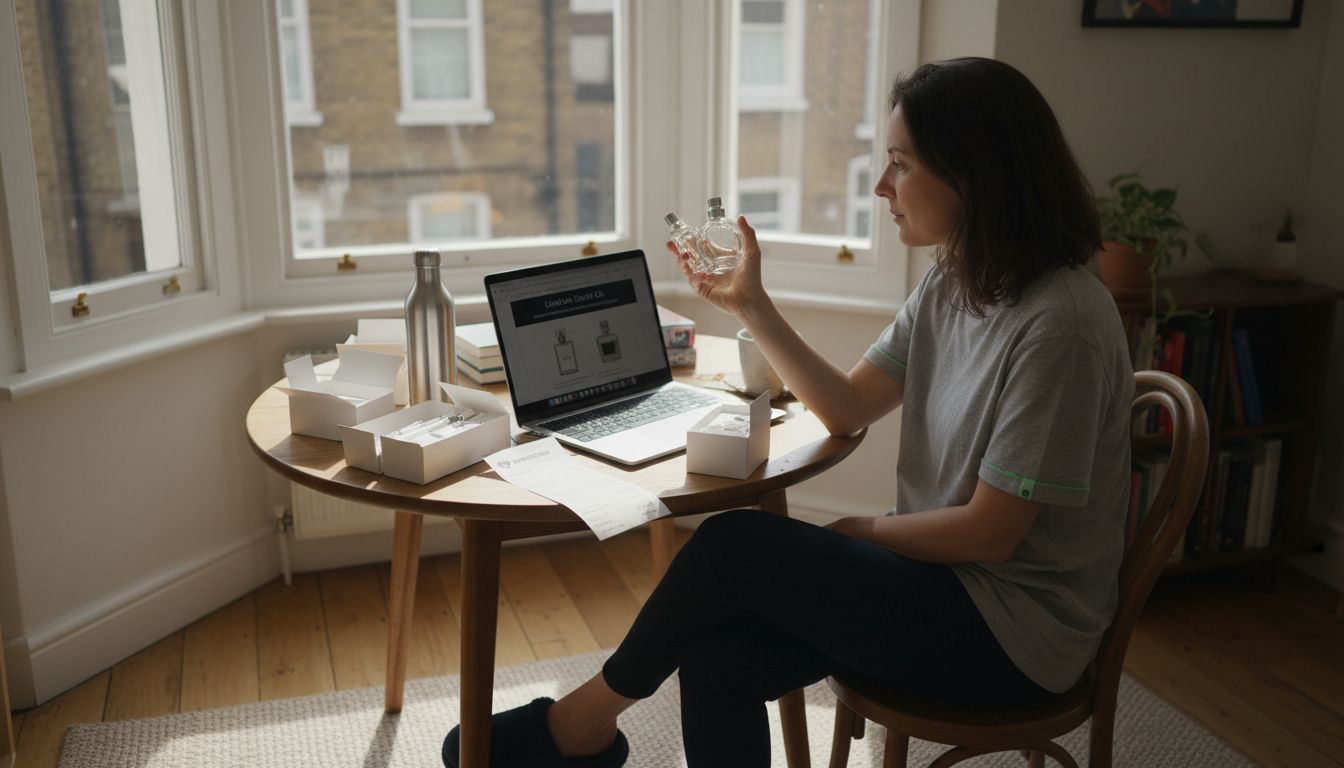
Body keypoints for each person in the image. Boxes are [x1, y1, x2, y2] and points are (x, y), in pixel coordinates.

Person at [442, 56, 1135, 768]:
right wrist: (752, 305)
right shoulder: (955, 283)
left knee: (735, 545)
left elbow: (991, 535)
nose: (881, 186)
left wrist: (859, 531)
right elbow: (848, 408)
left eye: (901, 163)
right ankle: (581, 727)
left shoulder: (1062, 322)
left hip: (1014, 635)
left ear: (975, 172)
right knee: (717, 656)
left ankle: (579, 724)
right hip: (943, 589)